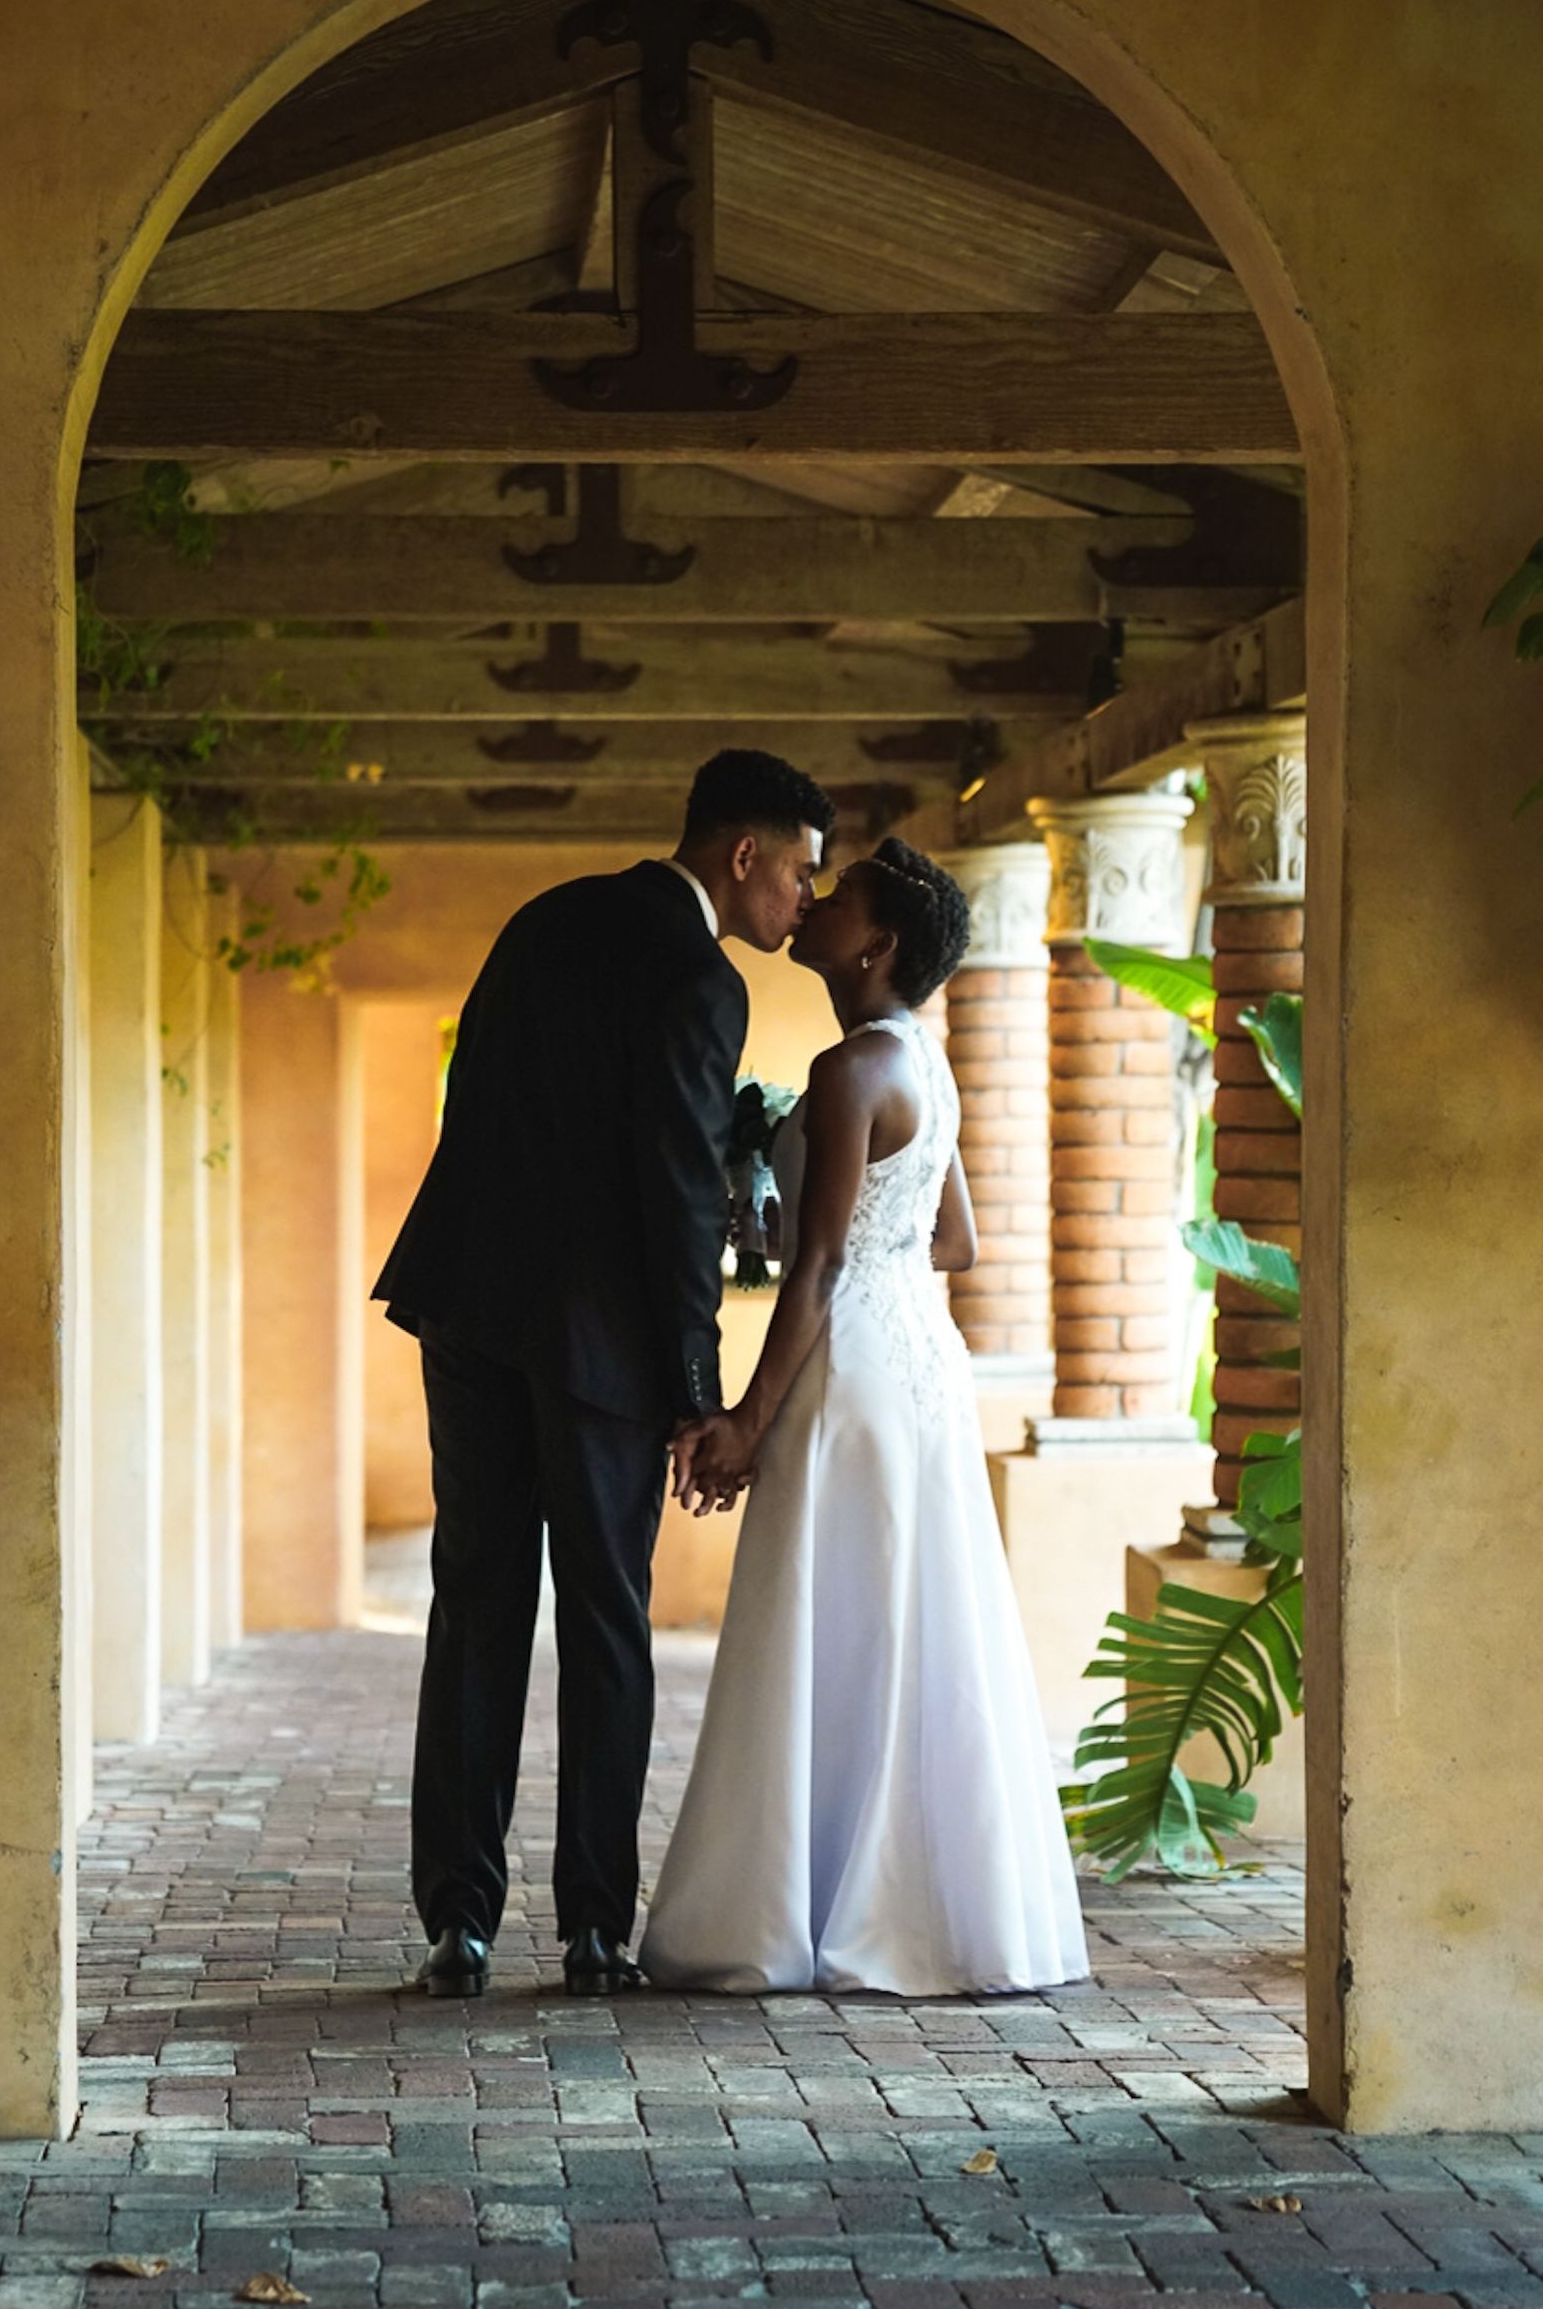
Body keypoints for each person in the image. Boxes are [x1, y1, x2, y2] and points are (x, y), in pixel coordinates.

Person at [372, 748, 835, 1997]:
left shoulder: (544, 919)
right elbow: (680, 1193)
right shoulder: (696, 975)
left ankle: (458, 1921)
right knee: (603, 1620)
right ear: (743, 857)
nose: (803, 898)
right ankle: (592, 1930)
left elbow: (477, 1107)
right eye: (798, 870)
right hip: (598, 1351)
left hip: (469, 1308)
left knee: (474, 1605)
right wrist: (698, 1387)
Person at [641, 838, 1090, 1998]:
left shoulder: (848, 1074)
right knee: (907, 1617)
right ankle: (928, 1908)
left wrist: (744, 1416)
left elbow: (824, 1263)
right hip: (922, 1370)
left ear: (877, 947)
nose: (818, 905)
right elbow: (955, 1244)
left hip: (849, 1369)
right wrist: (811, 1237)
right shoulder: (921, 1065)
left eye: (840, 900)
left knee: (825, 1613)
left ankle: (810, 1903)